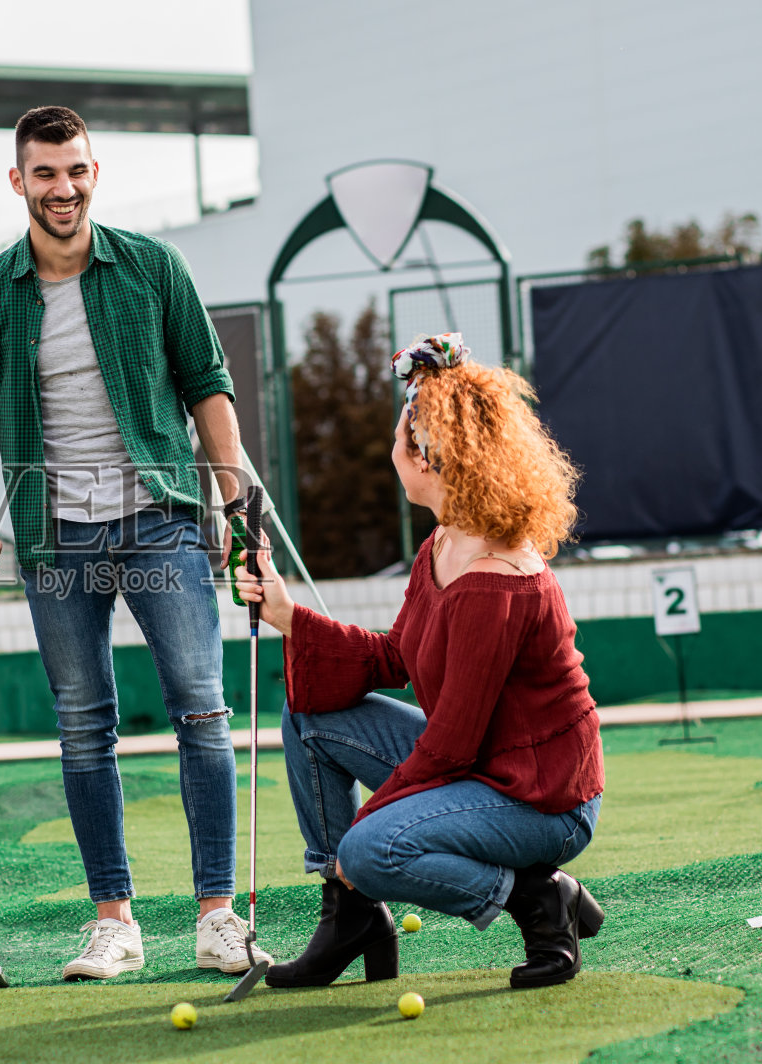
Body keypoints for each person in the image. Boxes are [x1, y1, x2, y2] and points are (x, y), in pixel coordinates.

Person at [0, 105, 271, 980]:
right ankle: (114, 921)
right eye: (45, 174)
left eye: (76, 170)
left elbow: (209, 386)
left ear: (95, 173)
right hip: (55, 540)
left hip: (159, 516)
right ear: (19, 182)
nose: (63, 188)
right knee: (84, 729)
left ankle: (215, 916)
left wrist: (237, 511)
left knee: (201, 707)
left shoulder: (154, 268)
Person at [235, 332, 606, 991]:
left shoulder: (495, 582)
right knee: (308, 719)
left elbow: (451, 746)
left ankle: (540, 900)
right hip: (485, 767)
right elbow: (394, 658)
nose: (391, 451)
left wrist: (366, 835)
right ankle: (352, 918)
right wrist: (290, 616)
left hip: (540, 797)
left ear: (431, 460)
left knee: (372, 849)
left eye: (401, 439)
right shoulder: (444, 545)